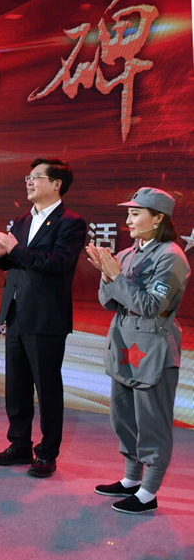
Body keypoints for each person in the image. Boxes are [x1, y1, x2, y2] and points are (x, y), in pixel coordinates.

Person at [86, 187, 189, 514]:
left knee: (152, 421)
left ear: (158, 219)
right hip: (124, 342)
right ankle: (132, 479)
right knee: (124, 417)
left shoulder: (171, 256)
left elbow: (149, 306)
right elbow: (108, 302)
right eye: (128, 213)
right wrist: (108, 276)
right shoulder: (128, 254)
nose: (128, 220)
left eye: (135, 213)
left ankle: (148, 492)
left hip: (153, 347)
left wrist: (116, 277)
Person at [0, 159, 86, 478]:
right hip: (17, 312)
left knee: (47, 387)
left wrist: (15, 250)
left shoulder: (71, 222)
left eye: (36, 177)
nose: (29, 182)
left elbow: (58, 263)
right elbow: (16, 263)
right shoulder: (22, 220)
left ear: (56, 184)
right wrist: (0, 256)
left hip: (46, 317)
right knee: (16, 385)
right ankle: (19, 444)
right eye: (27, 177)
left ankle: (46, 453)